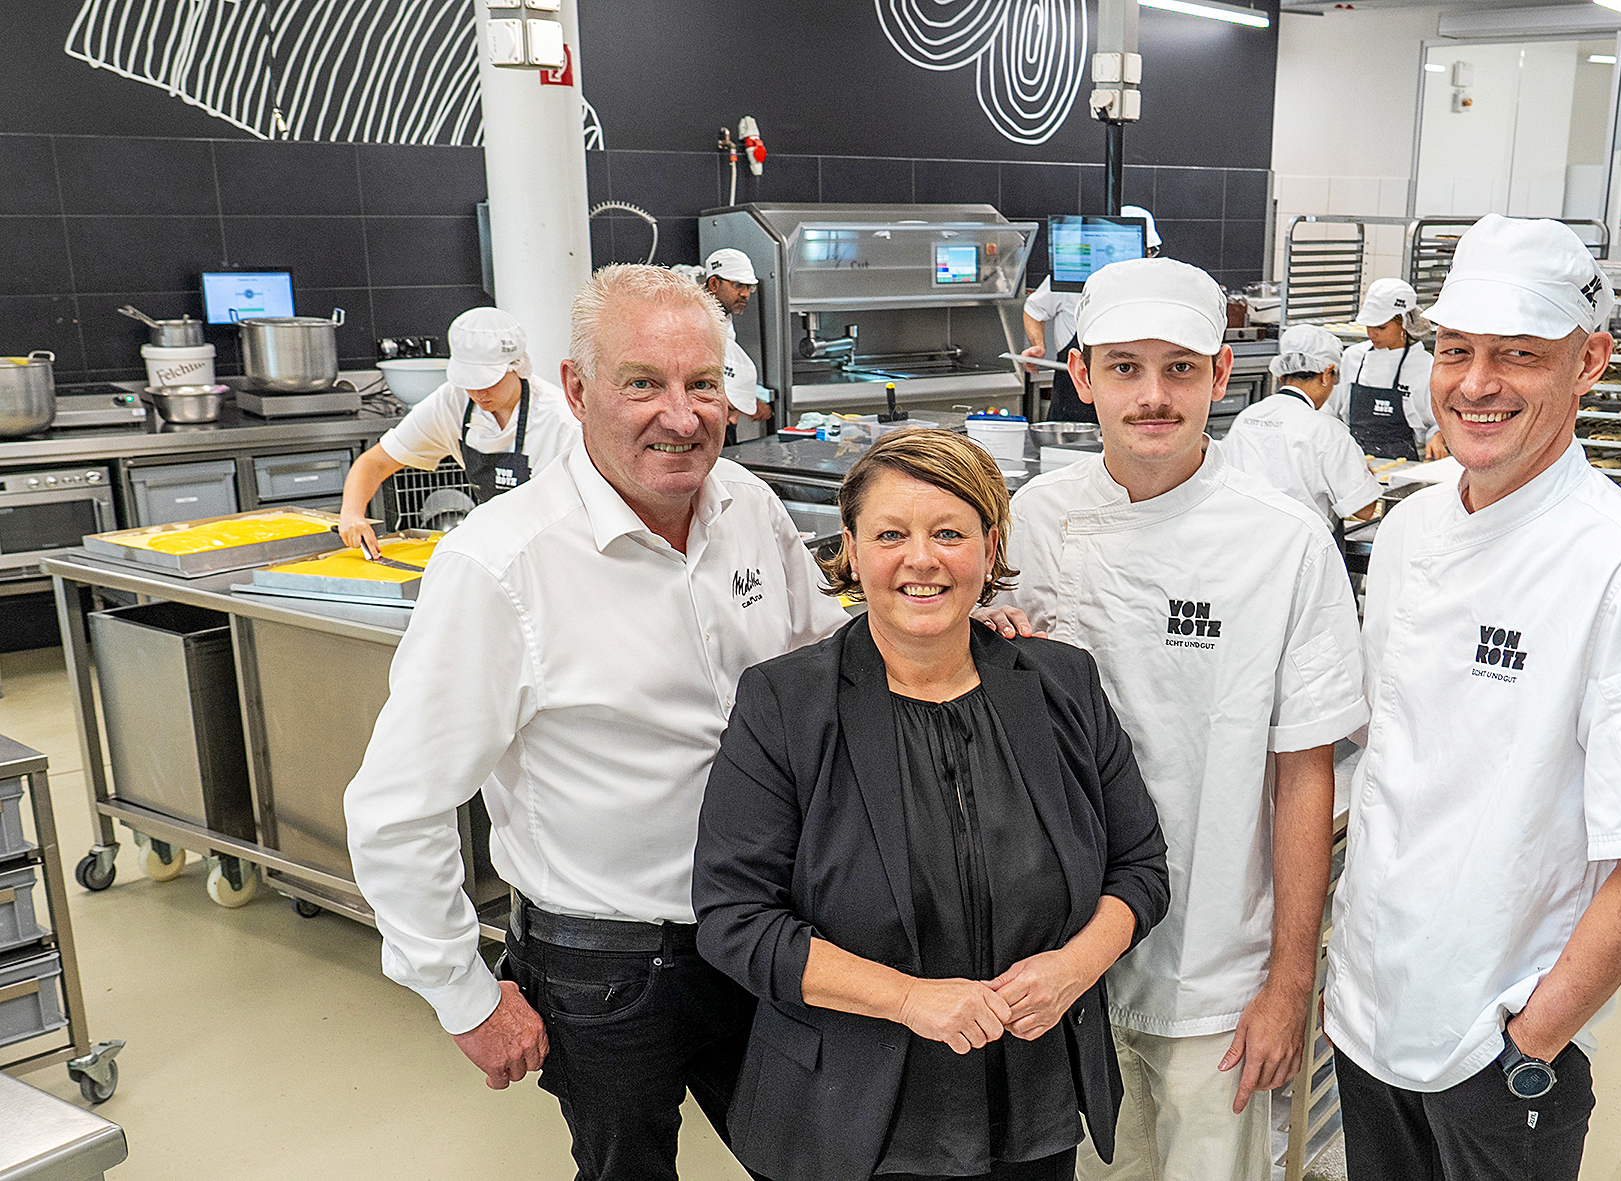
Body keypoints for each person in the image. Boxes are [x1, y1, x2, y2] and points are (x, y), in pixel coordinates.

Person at [342, 264, 851, 1181]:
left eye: (703, 383)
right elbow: (396, 806)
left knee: (819, 1161)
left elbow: (830, 666)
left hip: (766, 930)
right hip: (609, 968)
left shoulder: (750, 507)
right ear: (576, 391)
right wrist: (462, 994)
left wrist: (961, 630)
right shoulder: (502, 564)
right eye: (643, 383)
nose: (681, 415)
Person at [1324, 214, 1621, 1181]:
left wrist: (1527, 1044)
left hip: (1494, 1050)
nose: (1476, 383)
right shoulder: (1410, 532)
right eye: (1457, 350)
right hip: (1368, 1015)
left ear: (1590, 364)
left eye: (1520, 355)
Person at [693, 427, 1170, 1181]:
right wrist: (910, 999)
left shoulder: (1062, 684)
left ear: (990, 547)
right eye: (891, 534)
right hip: (850, 1119)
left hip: (1032, 1100)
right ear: (852, 549)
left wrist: (1074, 969)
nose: (922, 558)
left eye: (949, 533)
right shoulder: (786, 703)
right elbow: (735, 920)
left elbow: (1140, 866)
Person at [996, 258, 1368, 1181]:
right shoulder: (1032, 521)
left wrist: (1290, 983)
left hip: (1214, 970)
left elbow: (1304, 774)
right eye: (1124, 367)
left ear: (1222, 373)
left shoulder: (1283, 542)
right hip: (1059, 965)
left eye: (1181, 368)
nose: (1153, 396)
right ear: (1080, 375)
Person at [337, 306, 580, 555]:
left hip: (554, 548)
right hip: (495, 546)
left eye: (488, 382)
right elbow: (375, 462)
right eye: (469, 382)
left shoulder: (562, 423)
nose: (478, 393)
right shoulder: (452, 402)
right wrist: (352, 513)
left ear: (517, 366)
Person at [1219, 322, 1382, 528]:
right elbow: (1364, 509)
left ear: (1281, 373)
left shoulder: (1247, 417)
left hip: (1245, 537)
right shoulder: (1327, 430)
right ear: (1326, 373)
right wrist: (1364, 472)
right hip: (1302, 544)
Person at [1022, 206, 1162, 425]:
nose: (1147, 258)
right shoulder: (1071, 275)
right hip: (1073, 408)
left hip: (1130, 405)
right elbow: (1034, 310)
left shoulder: (1154, 287)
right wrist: (1038, 345)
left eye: (1151, 252)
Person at [1326, 278, 1446, 461]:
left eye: (1381, 327)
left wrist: (1437, 437)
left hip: (1404, 465)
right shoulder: (1353, 357)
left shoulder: (1424, 365)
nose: (1371, 333)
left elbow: (1439, 422)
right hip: (1352, 461)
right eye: (1368, 326)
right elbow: (1331, 411)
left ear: (1405, 323)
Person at [704, 248, 774, 444]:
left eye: (749, 287)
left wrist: (748, 398)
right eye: (738, 285)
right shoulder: (698, 321)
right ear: (714, 284)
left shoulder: (724, 317)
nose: (745, 294)